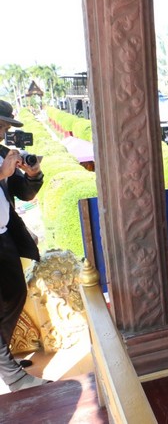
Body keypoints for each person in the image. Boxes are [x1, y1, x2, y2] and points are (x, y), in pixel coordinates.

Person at [0, 100, 51, 391]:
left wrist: (32, 175)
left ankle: (3, 360)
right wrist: (2, 173)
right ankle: (14, 376)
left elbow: (25, 194)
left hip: (4, 237)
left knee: (15, 297)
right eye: (2, 123)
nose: (5, 129)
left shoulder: (1, 154)